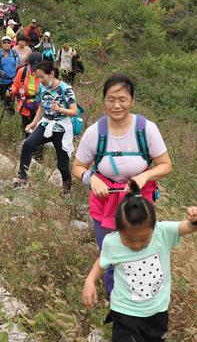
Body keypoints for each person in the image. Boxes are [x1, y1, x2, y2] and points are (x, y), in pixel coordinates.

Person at [82, 179, 197, 342]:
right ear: (117, 230)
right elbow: (102, 263)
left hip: (157, 312)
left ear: (153, 228)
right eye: (130, 240)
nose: (137, 245)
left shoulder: (163, 232)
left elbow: (191, 227)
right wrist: (90, 281)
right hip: (125, 314)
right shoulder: (112, 242)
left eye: (143, 240)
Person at [72, 74, 172, 297]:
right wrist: (92, 178)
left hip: (139, 205)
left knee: (141, 252)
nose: (116, 105)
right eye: (111, 99)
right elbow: (77, 166)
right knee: (110, 253)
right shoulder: (95, 132)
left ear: (132, 101)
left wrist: (143, 178)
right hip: (105, 203)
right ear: (104, 100)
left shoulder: (146, 129)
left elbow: (165, 165)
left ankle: (144, 301)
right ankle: (116, 302)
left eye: (122, 99)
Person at [15, 61, 78, 194]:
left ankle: (67, 192)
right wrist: (33, 123)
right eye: (38, 77)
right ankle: (22, 178)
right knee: (28, 144)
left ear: (52, 74)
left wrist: (60, 109)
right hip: (45, 123)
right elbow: (41, 106)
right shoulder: (42, 88)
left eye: (42, 77)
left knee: (62, 164)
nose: (40, 80)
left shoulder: (65, 89)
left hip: (60, 127)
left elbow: (74, 111)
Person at [9, 52, 43, 139]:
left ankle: (38, 151)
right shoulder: (22, 71)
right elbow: (16, 85)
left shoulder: (45, 73)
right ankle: (28, 145)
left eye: (37, 68)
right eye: (33, 68)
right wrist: (11, 91)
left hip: (40, 106)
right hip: (25, 105)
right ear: (28, 64)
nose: (35, 70)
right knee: (27, 128)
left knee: (39, 130)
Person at [0, 36, 20, 102]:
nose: (6, 44)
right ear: (1, 44)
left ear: (11, 43)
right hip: (1, 81)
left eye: (8, 42)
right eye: (4, 42)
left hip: (12, 81)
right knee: (1, 100)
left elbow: (18, 66)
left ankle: (10, 111)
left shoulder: (14, 53)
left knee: (11, 100)